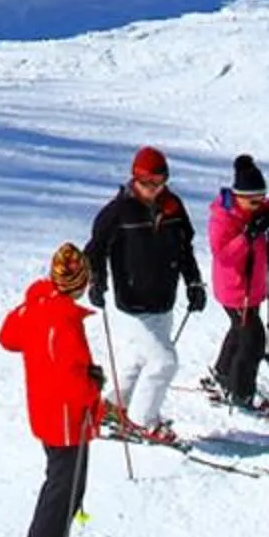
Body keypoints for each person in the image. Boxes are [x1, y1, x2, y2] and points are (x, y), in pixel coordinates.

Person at [0, 242, 110, 537]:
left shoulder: (38, 305)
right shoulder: (65, 322)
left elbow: (8, 337)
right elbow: (73, 382)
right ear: (80, 283)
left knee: (66, 484)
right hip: (66, 418)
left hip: (47, 412)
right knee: (64, 489)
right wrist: (94, 385)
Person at [84, 145, 203, 443]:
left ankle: (114, 407)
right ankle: (142, 421)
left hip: (163, 299)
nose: (154, 189)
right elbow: (95, 249)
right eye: (147, 183)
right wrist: (96, 280)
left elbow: (185, 249)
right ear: (134, 179)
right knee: (164, 362)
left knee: (139, 358)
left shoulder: (173, 207)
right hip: (132, 302)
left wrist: (194, 283)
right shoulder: (118, 211)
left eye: (159, 182)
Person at [204, 154, 269, 411]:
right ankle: (241, 393)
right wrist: (247, 237)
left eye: (262, 199)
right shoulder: (223, 217)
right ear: (239, 196)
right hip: (235, 290)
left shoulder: (257, 207)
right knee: (253, 341)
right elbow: (223, 255)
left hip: (252, 287)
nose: (259, 204)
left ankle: (222, 374)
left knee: (239, 330)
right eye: (254, 201)